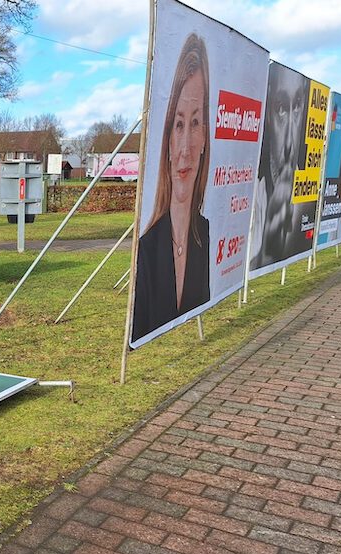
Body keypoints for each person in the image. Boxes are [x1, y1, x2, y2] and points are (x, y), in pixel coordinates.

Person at [132, 33, 211, 341]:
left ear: (205, 136)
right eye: (179, 124)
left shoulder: (204, 234)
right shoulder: (147, 248)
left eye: (195, 122)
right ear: (166, 137)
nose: (185, 150)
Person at [251, 64, 309, 269]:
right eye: (281, 109)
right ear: (267, 114)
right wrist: (267, 250)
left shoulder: (308, 206)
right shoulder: (252, 200)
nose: (288, 145)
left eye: (297, 107)